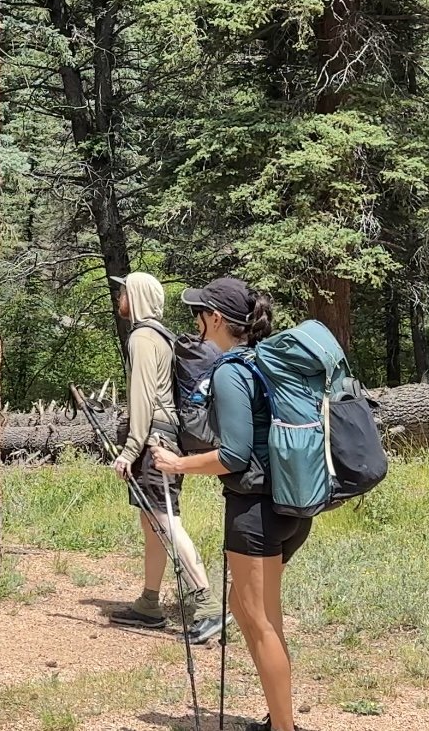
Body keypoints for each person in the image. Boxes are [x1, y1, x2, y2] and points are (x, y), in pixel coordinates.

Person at [152, 276, 303, 731]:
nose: (195, 321)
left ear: (215, 318)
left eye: (200, 313)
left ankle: (284, 727)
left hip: (255, 511)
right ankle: (279, 720)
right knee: (245, 607)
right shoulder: (266, 361)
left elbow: (234, 455)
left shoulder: (231, 370)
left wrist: (177, 465)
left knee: (260, 622)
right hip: (287, 504)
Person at [106, 272, 222, 643]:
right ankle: (149, 604)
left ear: (135, 296)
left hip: (154, 442)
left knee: (165, 521)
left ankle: (206, 603)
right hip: (168, 440)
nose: (119, 296)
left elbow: (142, 399)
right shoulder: (163, 336)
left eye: (123, 290)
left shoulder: (141, 338)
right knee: (152, 521)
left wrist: (129, 450)